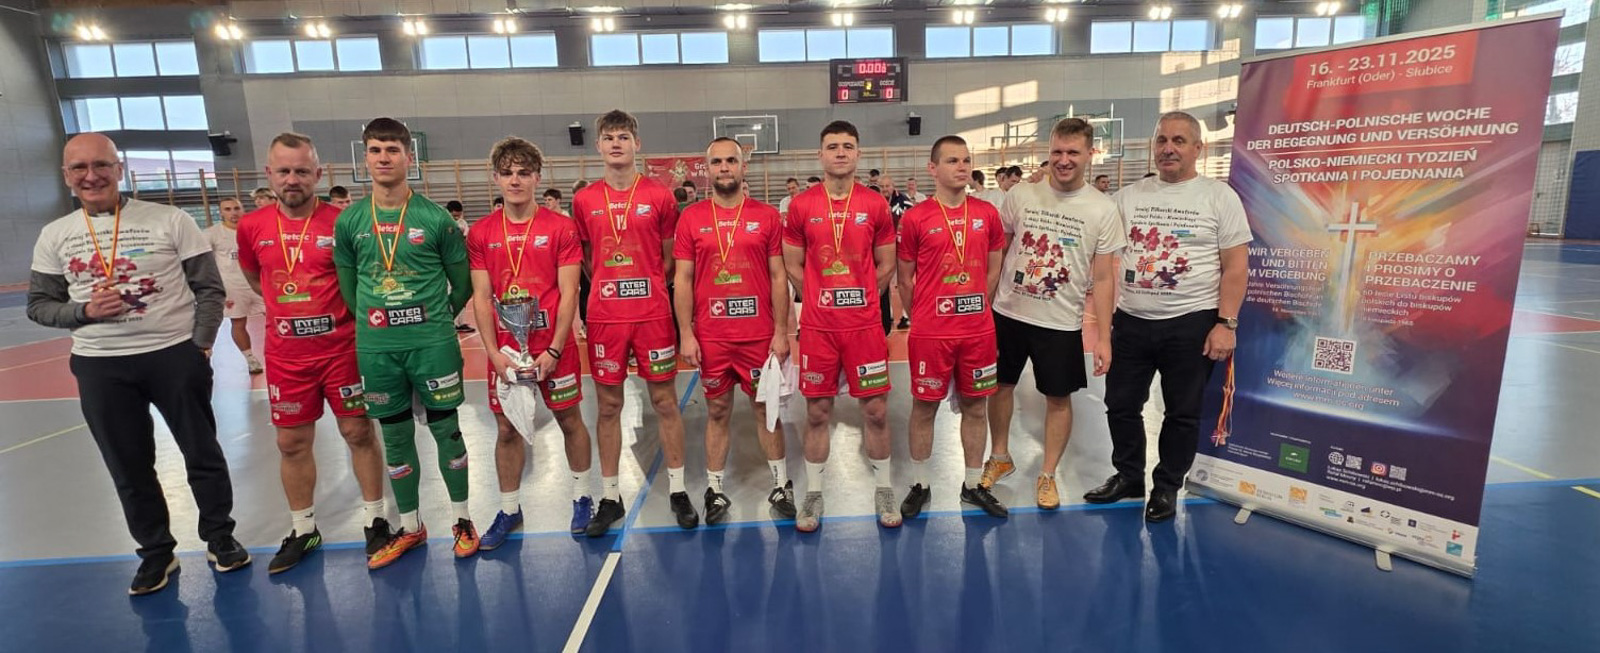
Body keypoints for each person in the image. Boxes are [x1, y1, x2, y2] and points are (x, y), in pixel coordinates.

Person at [27, 132, 247, 595]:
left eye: (101, 165)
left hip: (173, 355)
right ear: (66, 176)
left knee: (201, 451)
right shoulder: (55, 235)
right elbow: (40, 305)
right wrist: (83, 312)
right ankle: (156, 553)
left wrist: (200, 345)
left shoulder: (170, 220)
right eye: (80, 168)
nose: (91, 176)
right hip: (100, 365)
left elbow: (208, 288)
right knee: (128, 464)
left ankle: (220, 537)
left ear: (119, 169)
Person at [236, 132, 393, 573]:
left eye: (302, 171)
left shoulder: (342, 222)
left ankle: (375, 520)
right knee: (290, 442)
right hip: (286, 355)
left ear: (318, 174)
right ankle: (304, 528)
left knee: (358, 433)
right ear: (269, 174)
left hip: (342, 351)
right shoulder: (252, 227)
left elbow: (359, 281)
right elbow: (255, 278)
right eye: (284, 171)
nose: (293, 179)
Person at [1087, 111, 1251, 523]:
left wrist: (1226, 323)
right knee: (1120, 405)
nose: (1168, 148)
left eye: (1179, 141)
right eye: (1161, 140)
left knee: (1182, 411)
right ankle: (1128, 476)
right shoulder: (1128, 197)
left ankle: (1166, 486)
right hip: (1132, 321)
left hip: (1191, 322)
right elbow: (1098, 250)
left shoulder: (1219, 197)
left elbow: (1236, 267)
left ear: (1198, 149)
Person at [334, 117, 478, 566]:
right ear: (365, 158)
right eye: (375, 150)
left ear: (408, 157)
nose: (384, 158)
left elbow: (462, 284)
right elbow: (349, 290)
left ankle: (462, 520)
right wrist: (378, 322)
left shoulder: (435, 218)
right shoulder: (350, 221)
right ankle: (411, 526)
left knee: (447, 430)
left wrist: (435, 319)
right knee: (394, 438)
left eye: (392, 150)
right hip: (378, 349)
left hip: (432, 344)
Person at [983, 118, 1124, 509]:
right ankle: (1000, 456)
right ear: (1048, 152)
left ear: (1090, 154)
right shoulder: (1021, 195)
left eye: (1072, 152)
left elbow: (1103, 278)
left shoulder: (1103, 208)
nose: (1064, 160)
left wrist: (1105, 338)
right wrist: (984, 308)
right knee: (999, 387)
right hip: (1008, 313)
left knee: (1058, 399)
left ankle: (1047, 474)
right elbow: (998, 254)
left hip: (1060, 322)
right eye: (1057, 152)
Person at [468, 136, 597, 544]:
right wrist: (493, 353)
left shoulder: (561, 227)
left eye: (524, 173)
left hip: (553, 347)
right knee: (506, 429)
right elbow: (481, 297)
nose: (515, 180)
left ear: (538, 178)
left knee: (569, 420)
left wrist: (556, 348)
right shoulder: (481, 232)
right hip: (506, 351)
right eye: (507, 173)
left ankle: (582, 498)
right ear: (495, 178)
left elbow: (570, 291)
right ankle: (509, 510)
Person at [572, 109, 695, 535]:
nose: (616, 143)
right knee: (608, 406)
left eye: (623, 136)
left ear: (636, 144)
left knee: (665, 402)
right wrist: (612, 286)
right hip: (606, 316)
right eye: (609, 137)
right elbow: (587, 260)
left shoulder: (660, 196)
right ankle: (610, 497)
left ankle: (678, 490)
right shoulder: (584, 199)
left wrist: (644, 285)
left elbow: (668, 259)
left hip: (652, 314)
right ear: (599, 146)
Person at [782, 120, 899, 532]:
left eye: (848, 146)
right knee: (817, 412)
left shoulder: (875, 204)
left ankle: (884, 488)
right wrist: (817, 296)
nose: (840, 153)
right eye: (832, 146)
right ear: (820, 154)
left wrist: (864, 298)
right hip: (818, 328)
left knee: (877, 411)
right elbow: (792, 263)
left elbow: (887, 263)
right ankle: (814, 494)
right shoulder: (801, 206)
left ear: (858, 153)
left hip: (864, 327)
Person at [673, 138, 794, 524]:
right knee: (717, 410)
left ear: (743, 167)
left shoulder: (767, 216)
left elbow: (779, 276)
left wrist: (781, 331)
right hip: (712, 337)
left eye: (731, 161)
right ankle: (715, 489)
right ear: (707, 169)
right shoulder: (691, 218)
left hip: (758, 336)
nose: (724, 167)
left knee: (765, 409)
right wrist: (686, 333)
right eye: (716, 162)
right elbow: (683, 278)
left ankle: (781, 485)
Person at [895, 135, 1009, 520]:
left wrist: (978, 305)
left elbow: (994, 268)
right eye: (952, 160)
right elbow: (905, 278)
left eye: (965, 160)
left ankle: (973, 485)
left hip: (977, 330)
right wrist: (923, 316)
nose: (962, 167)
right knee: (924, 405)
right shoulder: (916, 217)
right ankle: (920, 484)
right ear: (933, 168)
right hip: (931, 332)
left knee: (976, 406)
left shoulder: (987, 213)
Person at [204, 197, 266, 374]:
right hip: (232, 286)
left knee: (276, 317)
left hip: (258, 283)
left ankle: (282, 354)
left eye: (236, 208)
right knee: (238, 322)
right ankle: (250, 359)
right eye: (228, 209)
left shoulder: (254, 229)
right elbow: (204, 262)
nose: (233, 213)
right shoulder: (211, 234)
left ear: (243, 209)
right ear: (221, 212)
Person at [444, 201, 477, 334]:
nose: (457, 218)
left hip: (460, 261)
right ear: (448, 212)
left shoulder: (463, 224)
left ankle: (460, 322)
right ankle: (449, 321)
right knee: (449, 291)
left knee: (463, 291)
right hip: (446, 263)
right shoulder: (442, 222)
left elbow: (465, 239)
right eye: (454, 216)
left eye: (459, 215)